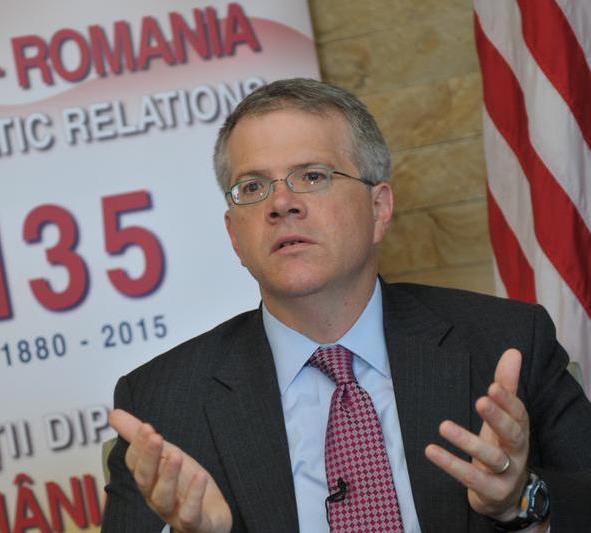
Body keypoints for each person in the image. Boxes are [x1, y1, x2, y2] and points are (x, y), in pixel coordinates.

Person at [100, 78, 591, 532]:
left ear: (379, 209)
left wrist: (521, 501)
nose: (281, 203)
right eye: (253, 187)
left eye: (312, 176)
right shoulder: (163, 405)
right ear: (234, 235)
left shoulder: (506, 344)